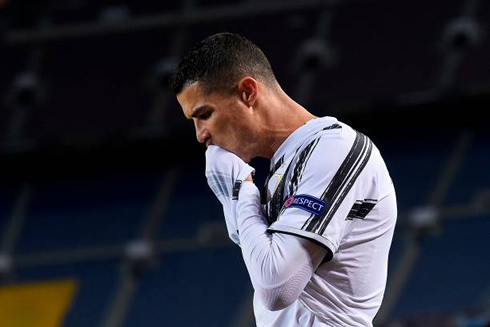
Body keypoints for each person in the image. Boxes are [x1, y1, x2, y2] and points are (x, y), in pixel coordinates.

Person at [168, 32, 397, 327]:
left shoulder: (334, 149)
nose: (201, 135)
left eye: (205, 114)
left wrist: (240, 190)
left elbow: (277, 288)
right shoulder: (288, 165)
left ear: (248, 93)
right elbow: (256, 254)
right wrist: (235, 196)